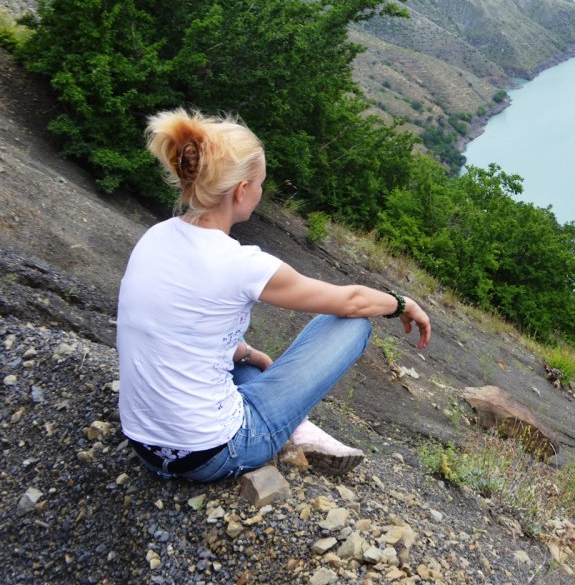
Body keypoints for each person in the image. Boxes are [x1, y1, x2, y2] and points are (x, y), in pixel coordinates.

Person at [116, 108, 431, 481]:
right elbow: (351, 301)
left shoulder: (156, 237)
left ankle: (292, 427)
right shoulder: (240, 263)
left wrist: (248, 354)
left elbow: (178, 332)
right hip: (213, 452)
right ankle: (291, 430)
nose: (262, 192)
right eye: (261, 183)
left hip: (145, 444)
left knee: (216, 323)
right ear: (241, 190)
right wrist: (402, 303)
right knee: (354, 325)